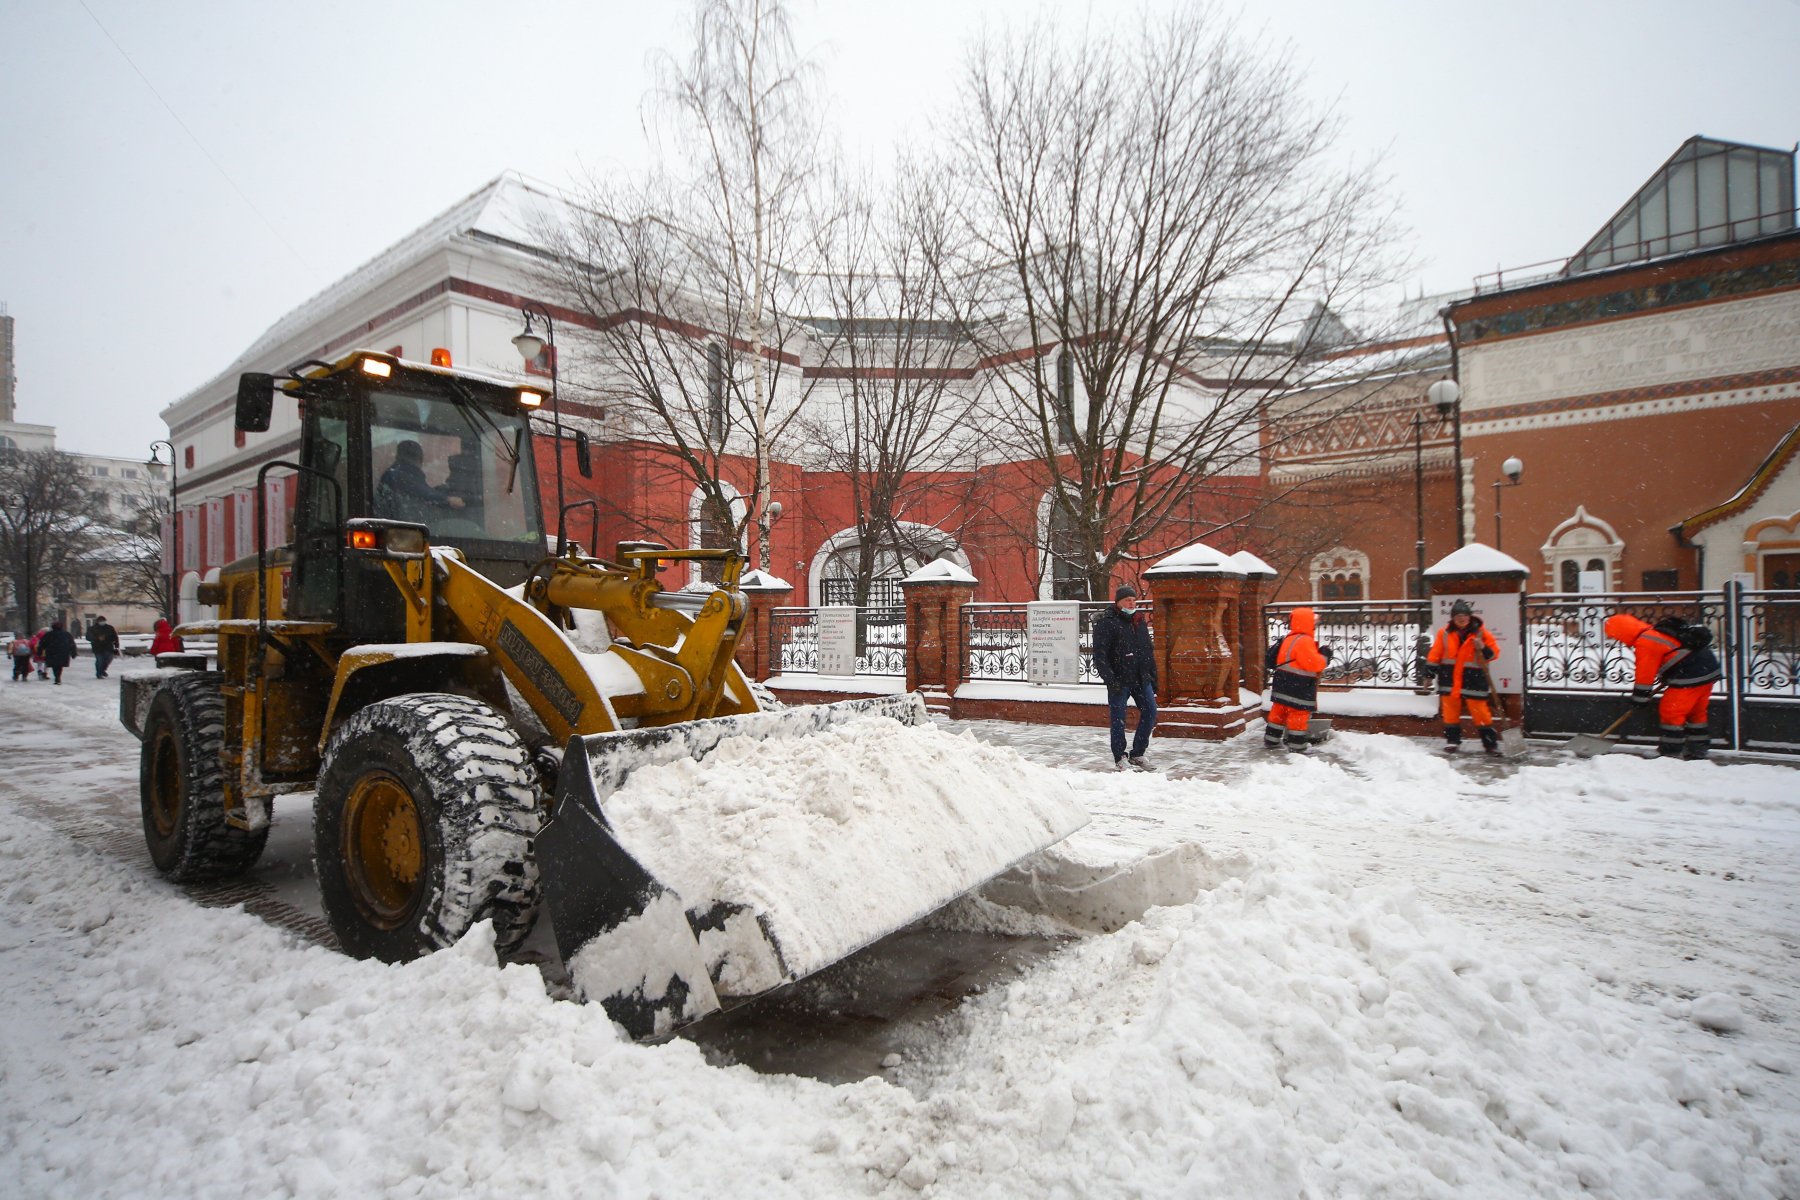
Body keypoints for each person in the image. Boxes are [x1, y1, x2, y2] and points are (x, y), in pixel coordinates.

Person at [1604, 612, 1722, 759]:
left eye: (1616, 636)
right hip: (1707, 670)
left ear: (1622, 632)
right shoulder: (1656, 632)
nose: (1618, 640)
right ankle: (1698, 748)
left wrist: (1640, 698)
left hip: (1690, 675)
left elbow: (1645, 674)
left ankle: (1670, 752)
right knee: (1696, 712)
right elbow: (1673, 653)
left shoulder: (1646, 641)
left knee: (1671, 712)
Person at [1093, 584, 1158, 771]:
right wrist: (1110, 679)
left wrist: (1153, 677)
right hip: (1119, 680)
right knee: (1118, 719)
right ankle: (1120, 757)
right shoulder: (1107, 622)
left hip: (1141, 678)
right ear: (1118, 602)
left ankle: (1137, 753)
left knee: (1151, 711)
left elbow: (1147, 651)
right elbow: (1100, 655)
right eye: (1127, 600)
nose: (1131, 602)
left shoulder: (1139, 621)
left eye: (1133, 599)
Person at [1428, 600, 1502, 754]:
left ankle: (1490, 744)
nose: (1461, 619)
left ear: (1469, 617)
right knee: (1450, 712)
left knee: (1480, 712)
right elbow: (1436, 653)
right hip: (1449, 678)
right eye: (1458, 616)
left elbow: (1494, 654)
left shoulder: (1481, 633)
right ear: (1453, 618)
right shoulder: (1445, 633)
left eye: (1464, 616)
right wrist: (1429, 673)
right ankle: (1452, 741)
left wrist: (1482, 647)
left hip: (1474, 679)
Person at [1264, 606, 1332, 752]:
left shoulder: (1290, 638)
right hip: (1298, 686)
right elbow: (1315, 664)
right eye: (1313, 621)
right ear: (1307, 622)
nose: (1315, 624)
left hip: (1282, 682)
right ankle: (1297, 747)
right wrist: (1325, 655)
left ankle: (1271, 740)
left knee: (1278, 712)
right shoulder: (1304, 640)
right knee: (1298, 715)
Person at [376, 439, 464, 524]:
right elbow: (421, 492)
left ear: (397, 456)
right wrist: (448, 499)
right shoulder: (400, 474)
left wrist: (439, 491)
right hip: (403, 531)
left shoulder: (394, 473)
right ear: (420, 459)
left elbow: (421, 490)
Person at [37, 620, 77, 685]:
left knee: (55, 665)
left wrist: (39, 652)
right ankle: (58, 677)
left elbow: (42, 643)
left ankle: (57, 677)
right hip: (63, 652)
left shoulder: (49, 634)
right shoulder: (66, 634)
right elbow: (72, 644)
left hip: (52, 653)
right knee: (59, 666)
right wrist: (73, 653)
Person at [86, 614, 120, 678]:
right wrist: (97, 638)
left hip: (108, 647)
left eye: (103, 620)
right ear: (97, 621)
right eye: (101, 621)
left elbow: (115, 637)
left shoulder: (109, 628)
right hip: (97, 647)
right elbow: (88, 637)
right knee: (99, 660)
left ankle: (102, 670)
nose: (102, 622)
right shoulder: (92, 629)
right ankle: (99, 673)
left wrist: (116, 644)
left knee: (108, 659)